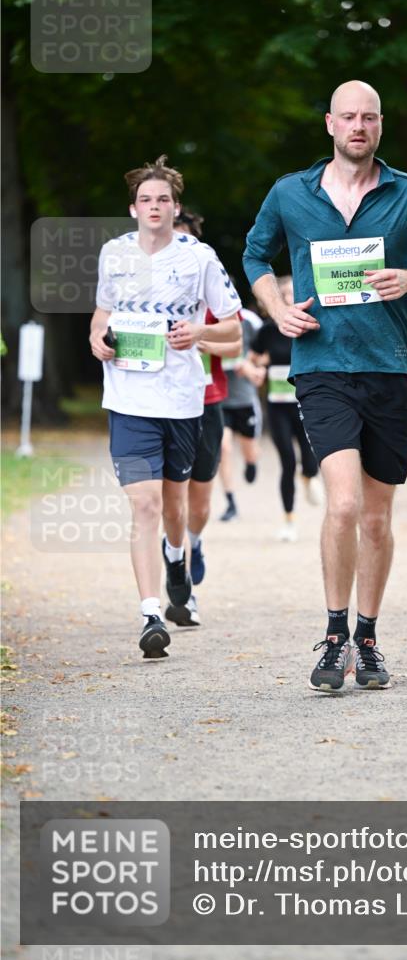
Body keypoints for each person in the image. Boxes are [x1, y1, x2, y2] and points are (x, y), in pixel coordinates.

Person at [243, 80, 407, 691]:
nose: (358, 126)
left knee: (376, 518)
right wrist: (275, 311)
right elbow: (256, 256)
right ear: (330, 125)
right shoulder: (291, 193)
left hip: (389, 369)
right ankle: (334, 632)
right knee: (342, 504)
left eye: (369, 116)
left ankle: (367, 638)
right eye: (348, 117)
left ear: (380, 126)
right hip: (321, 366)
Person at [90, 157, 241, 657]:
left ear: (176, 208)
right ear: (133, 208)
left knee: (176, 507)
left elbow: (235, 329)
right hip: (129, 398)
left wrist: (199, 332)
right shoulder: (113, 254)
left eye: (163, 200)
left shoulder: (199, 258)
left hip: (181, 400)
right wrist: (98, 338)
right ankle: (151, 612)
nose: (155, 207)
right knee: (146, 504)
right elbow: (103, 312)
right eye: (146, 200)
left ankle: (177, 558)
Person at [167, 210, 243, 626]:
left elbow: (234, 346)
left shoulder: (210, 288)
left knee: (199, 499)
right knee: (167, 496)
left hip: (207, 399)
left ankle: (192, 543)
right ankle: (177, 569)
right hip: (161, 403)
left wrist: (197, 340)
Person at [248, 276, 322, 542]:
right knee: (287, 462)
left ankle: (310, 474)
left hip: (307, 404)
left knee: (310, 457)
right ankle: (289, 520)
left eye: (293, 292)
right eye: (284, 294)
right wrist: (257, 370)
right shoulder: (268, 331)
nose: (289, 297)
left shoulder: (312, 327)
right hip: (277, 406)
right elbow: (252, 359)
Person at [218, 304, 265, 523]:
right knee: (223, 447)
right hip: (219, 399)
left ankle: (251, 461)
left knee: (250, 450)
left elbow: (265, 352)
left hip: (245, 399)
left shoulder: (250, 321)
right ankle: (230, 502)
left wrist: (253, 366)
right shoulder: (205, 320)